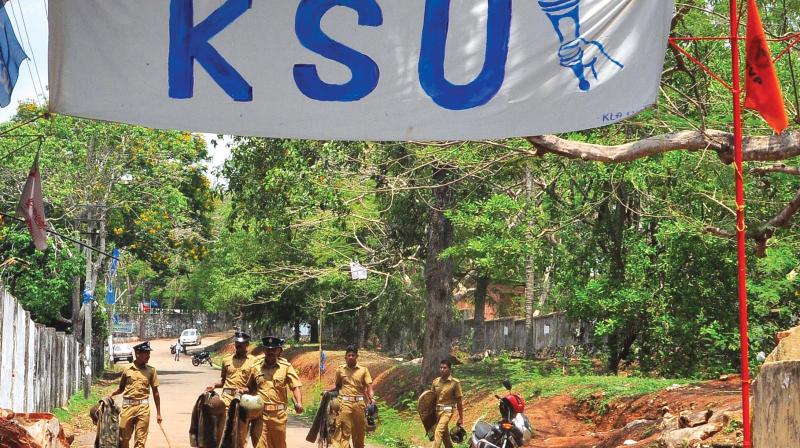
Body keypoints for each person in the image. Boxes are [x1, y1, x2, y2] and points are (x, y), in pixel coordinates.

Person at [246, 336, 304, 448]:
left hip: (278, 416)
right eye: (268, 349)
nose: (270, 352)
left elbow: (295, 386)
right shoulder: (255, 367)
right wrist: (242, 392)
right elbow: (249, 387)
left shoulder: (286, 367)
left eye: (274, 349)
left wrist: (299, 402)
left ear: (279, 351)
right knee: (259, 445)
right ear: (264, 350)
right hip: (259, 415)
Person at [207, 331, 259, 447]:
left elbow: (256, 385)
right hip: (226, 399)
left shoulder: (254, 362)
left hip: (243, 401)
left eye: (241, 343)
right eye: (237, 343)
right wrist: (214, 385)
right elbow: (223, 381)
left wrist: (246, 390)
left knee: (240, 434)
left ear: (247, 344)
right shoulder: (226, 360)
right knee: (223, 432)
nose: (238, 346)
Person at [107, 341, 162, 448]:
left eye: (149, 353)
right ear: (137, 353)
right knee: (123, 437)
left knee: (140, 441)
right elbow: (121, 388)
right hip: (127, 408)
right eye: (146, 353)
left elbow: (156, 392)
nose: (148, 356)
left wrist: (159, 413)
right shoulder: (127, 370)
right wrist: (112, 394)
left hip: (143, 409)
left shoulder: (151, 371)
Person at [333, 345, 375, 448]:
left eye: (353, 355)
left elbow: (369, 386)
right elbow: (338, 385)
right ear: (345, 357)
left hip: (359, 404)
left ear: (357, 356)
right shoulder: (340, 370)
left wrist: (371, 398)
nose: (351, 357)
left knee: (359, 431)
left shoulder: (363, 370)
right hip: (345, 402)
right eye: (349, 355)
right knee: (344, 430)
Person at [430, 359, 463, 448]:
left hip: (447, 411)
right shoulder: (435, 382)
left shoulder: (455, 383)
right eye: (440, 367)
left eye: (444, 368)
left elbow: (459, 401)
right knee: (445, 436)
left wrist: (461, 417)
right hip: (437, 411)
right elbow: (431, 398)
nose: (442, 369)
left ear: (449, 369)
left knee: (439, 431)